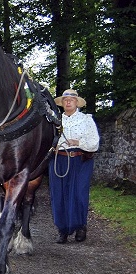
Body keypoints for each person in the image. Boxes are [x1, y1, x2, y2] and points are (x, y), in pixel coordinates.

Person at [49, 89, 100, 244]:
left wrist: (78, 142)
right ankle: (62, 230)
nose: (68, 102)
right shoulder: (54, 121)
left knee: (79, 193)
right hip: (59, 160)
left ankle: (80, 226)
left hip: (80, 161)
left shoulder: (86, 120)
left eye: (72, 99)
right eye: (65, 100)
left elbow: (94, 143)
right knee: (59, 194)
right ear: (62, 103)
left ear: (77, 102)